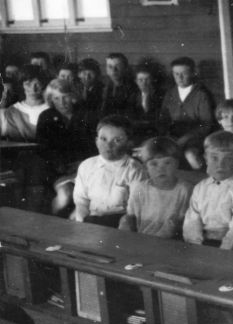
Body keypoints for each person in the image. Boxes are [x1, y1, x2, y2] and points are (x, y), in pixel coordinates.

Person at [70, 115, 146, 227]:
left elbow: (134, 208)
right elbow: (81, 200)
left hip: (119, 221)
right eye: (103, 139)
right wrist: (81, 222)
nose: (108, 145)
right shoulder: (87, 165)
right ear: (96, 141)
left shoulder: (134, 169)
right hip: (91, 218)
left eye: (117, 140)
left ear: (129, 143)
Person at [182, 130, 233, 250]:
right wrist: (195, 245)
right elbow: (192, 220)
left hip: (232, 244)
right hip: (203, 240)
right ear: (205, 158)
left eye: (229, 158)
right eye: (214, 157)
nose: (221, 164)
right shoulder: (200, 187)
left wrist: (223, 251)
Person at [36, 78, 96, 215]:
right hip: (58, 170)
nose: (62, 103)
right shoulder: (46, 116)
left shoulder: (86, 115)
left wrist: (82, 163)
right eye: (56, 98)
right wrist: (61, 165)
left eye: (65, 98)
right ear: (51, 99)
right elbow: (43, 149)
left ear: (73, 97)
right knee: (66, 195)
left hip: (86, 168)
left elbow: (94, 145)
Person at [119, 136, 192, 240]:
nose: (161, 169)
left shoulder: (184, 190)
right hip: (141, 240)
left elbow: (179, 224)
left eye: (167, 163)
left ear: (177, 164)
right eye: (154, 164)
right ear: (145, 167)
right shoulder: (140, 188)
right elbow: (130, 217)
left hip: (169, 243)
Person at [157, 57, 216, 170]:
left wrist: (186, 138)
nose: (180, 77)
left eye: (184, 73)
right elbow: (163, 119)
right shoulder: (170, 93)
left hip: (195, 139)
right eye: (176, 74)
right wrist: (166, 136)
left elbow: (206, 124)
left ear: (193, 73)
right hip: (173, 138)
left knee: (191, 155)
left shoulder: (201, 94)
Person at [1, 64, 49, 140]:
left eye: (37, 84)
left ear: (43, 84)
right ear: (22, 85)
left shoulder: (50, 109)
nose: (33, 89)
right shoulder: (13, 111)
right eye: (28, 84)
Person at [101, 52, 138, 117]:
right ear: (106, 69)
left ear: (125, 68)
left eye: (118, 66)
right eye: (110, 66)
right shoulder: (102, 87)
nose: (114, 70)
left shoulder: (133, 88)